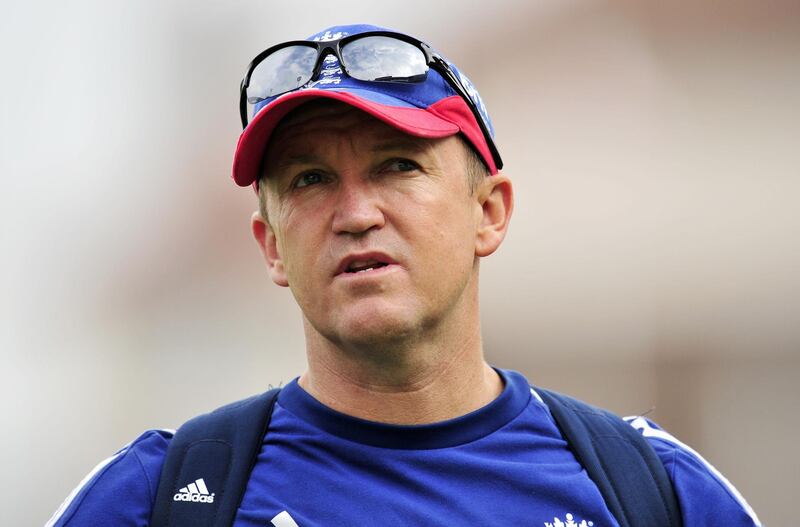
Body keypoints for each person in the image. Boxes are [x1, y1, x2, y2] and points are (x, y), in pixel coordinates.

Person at [47, 24, 761, 527]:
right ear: (269, 245)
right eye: (310, 179)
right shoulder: (159, 497)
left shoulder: (653, 489)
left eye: (397, 166)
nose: (356, 213)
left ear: (490, 211)